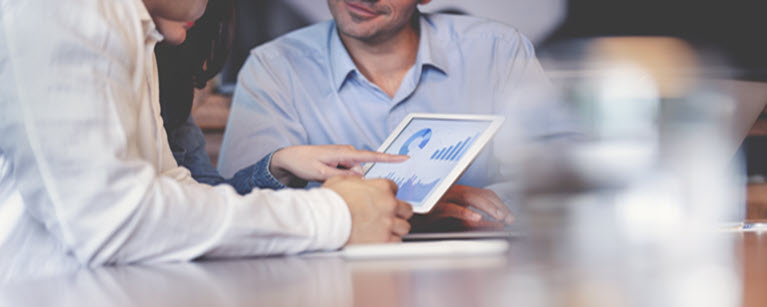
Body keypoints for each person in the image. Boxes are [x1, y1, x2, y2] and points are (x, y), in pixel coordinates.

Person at [0, 0, 412, 279]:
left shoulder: (132, 30)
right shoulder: (69, 12)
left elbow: (176, 189)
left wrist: (288, 172)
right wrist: (333, 215)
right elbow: (113, 220)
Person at [218, 0, 576, 227]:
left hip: (479, 270)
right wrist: (409, 205)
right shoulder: (274, 67)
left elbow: (559, 179)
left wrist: (472, 205)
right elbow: (237, 202)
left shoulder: (498, 50)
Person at [156, 0, 408, 193]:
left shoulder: (167, 82)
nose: (201, 7)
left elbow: (207, 199)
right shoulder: (274, 65)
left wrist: (278, 164)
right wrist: (339, 212)